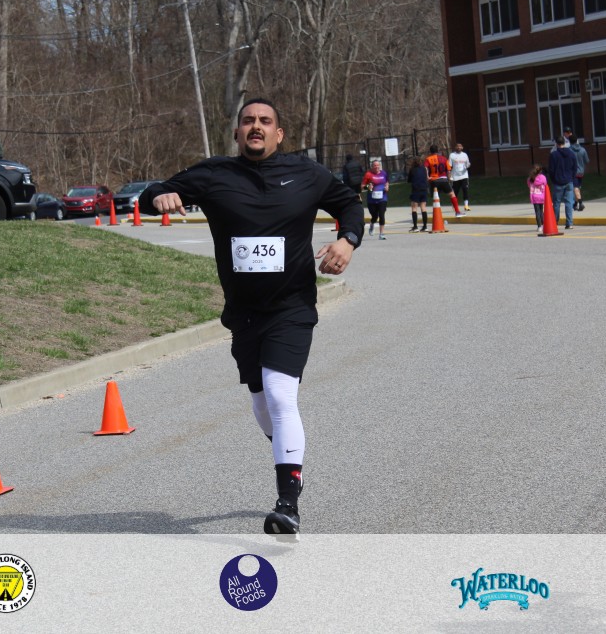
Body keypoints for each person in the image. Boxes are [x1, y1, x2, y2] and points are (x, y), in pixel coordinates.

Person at [140, 98, 363, 536]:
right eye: (248, 121)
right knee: (262, 403)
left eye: (265, 121)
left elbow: (349, 205)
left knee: (280, 396)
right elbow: (154, 195)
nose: (256, 126)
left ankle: (287, 503)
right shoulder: (214, 174)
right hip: (243, 313)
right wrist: (159, 195)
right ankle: (290, 454)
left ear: (279, 134)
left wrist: (347, 240)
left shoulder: (306, 173)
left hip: (292, 307)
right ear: (237, 132)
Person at [424, 144, 465, 217]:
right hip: (443, 179)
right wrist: (449, 179)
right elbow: (448, 170)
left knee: (436, 197)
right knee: (452, 194)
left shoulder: (428, 159)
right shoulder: (444, 158)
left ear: (430, 151)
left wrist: (427, 177)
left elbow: (425, 168)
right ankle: (457, 212)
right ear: (437, 151)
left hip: (433, 180)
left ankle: (437, 215)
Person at [547, 136, 577, 229]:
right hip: (569, 181)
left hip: (558, 181)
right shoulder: (571, 154)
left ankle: (555, 222)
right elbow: (574, 168)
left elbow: (551, 170)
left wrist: (553, 180)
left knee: (556, 203)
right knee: (569, 202)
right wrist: (571, 178)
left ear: (556, 144)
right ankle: (569, 223)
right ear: (564, 143)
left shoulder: (554, 155)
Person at [362, 159, 389, 239]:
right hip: (372, 200)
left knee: (381, 215)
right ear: (372, 166)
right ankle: (372, 224)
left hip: (383, 198)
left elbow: (387, 182)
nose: (376, 167)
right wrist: (368, 187)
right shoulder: (368, 174)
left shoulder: (384, 173)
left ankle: (381, 234)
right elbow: (362, 186)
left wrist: (387, 186)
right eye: (375, 165)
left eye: (378, 165)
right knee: (375, 216)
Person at [408, 156, 429, 232]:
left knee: (414, 208)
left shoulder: (412, 169)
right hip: (424, 189)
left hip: (416, 190)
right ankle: (425, 226)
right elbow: (426, 178)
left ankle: (415, 227)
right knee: (423, 207)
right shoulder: (424, 169)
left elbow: (409, 180)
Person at [448, 142, 472, 212]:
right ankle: (454, 205)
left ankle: (466, 205)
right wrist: (449, 175)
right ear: (455, 147)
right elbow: (449, 166)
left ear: (462, 147)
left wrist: (468, 166)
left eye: (460, 146)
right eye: (457, 146)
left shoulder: (465, 155)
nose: (459, 147)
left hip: (464, 175)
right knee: (455, 192)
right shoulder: (452, 155)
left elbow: (468, 164)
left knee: (465, 189)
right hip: (455, 176)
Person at [570, 136, 589, 211]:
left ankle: (580, 203)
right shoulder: (583, 149)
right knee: (578, 188)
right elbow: (587, 161)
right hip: (581, 171)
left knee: (575, 188)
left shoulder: (569, 150)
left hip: (573, 172)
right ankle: (575, 204)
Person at [528, 164, 547, 234]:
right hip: (542, 197)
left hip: (535, 197)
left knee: (537, 212)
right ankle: (544, 224)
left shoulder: (530, 179)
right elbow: (545, 185)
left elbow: (529, 186)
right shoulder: (543, 178)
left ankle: (539, 226)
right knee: (541, 211)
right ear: (540, 171)